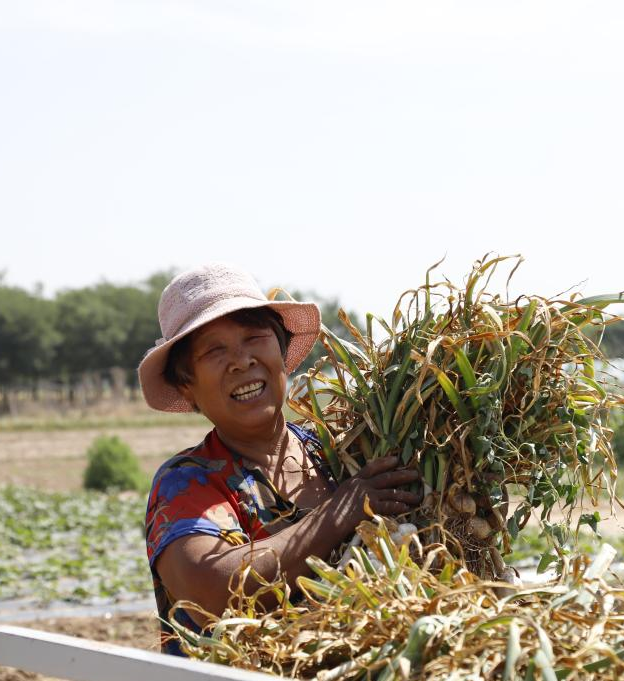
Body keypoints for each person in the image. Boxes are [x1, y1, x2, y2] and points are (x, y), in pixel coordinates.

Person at [137, 263, 421, 654]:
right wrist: (338, 514)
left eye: (254, 337)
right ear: (188, 385)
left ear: (283, 351)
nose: (241, 361)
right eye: (214, 350)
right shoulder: (189, 482)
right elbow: (211, 593)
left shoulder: (338, 453)